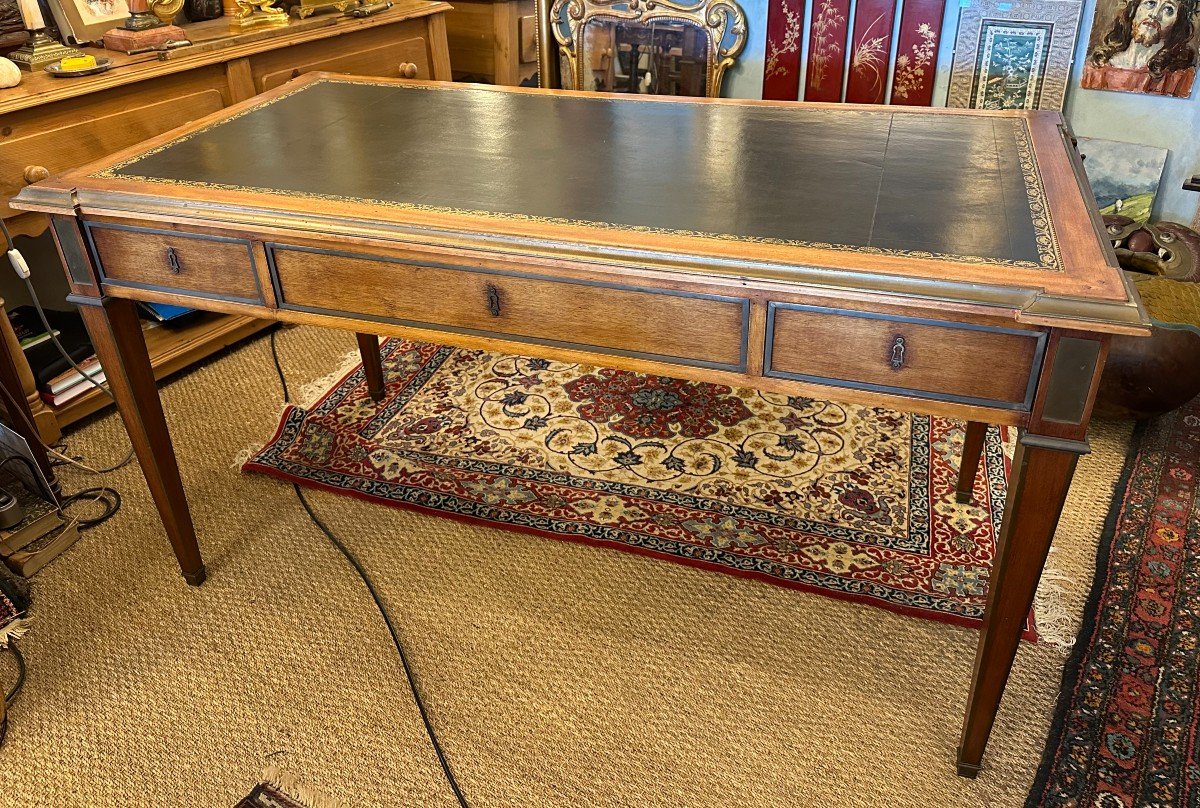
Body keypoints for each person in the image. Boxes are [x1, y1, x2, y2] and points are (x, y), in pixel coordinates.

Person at [1081, 0, 1198, 96]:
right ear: (1135, 10)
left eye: (1168, 10)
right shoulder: (1095, 68)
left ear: (1177, 24)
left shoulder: (1181, 78)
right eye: (1150, 3)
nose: (1155, 14)